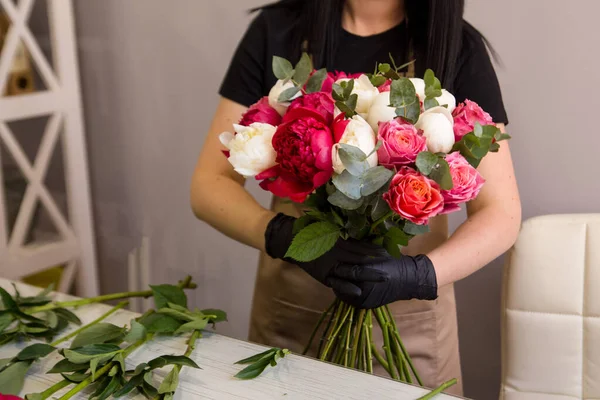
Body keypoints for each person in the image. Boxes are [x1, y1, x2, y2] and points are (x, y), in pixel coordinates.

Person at [191, 0, 521, 395]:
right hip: (292, 320)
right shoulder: (278, 32)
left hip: (409, 331)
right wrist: (284, 237)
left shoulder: (455, 47)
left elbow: (500, 212)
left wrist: (418, 275)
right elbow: (209, 184)